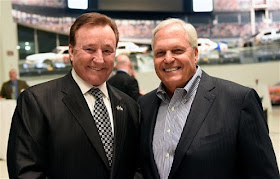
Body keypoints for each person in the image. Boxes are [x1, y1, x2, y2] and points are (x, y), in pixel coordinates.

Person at [138, 18, 279, 179]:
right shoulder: (144, 105)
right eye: (160, 53)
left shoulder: (238, 101)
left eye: (177, 50)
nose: (168, 59)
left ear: (195, 53)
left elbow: (264, 174)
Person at [7, 12, 140, 179]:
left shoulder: (130, 107)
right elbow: (25, 172)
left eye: (107, 50)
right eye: (90, 49)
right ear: (71, 51)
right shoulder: (37, 102)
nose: (99, 59)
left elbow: (137, 168)